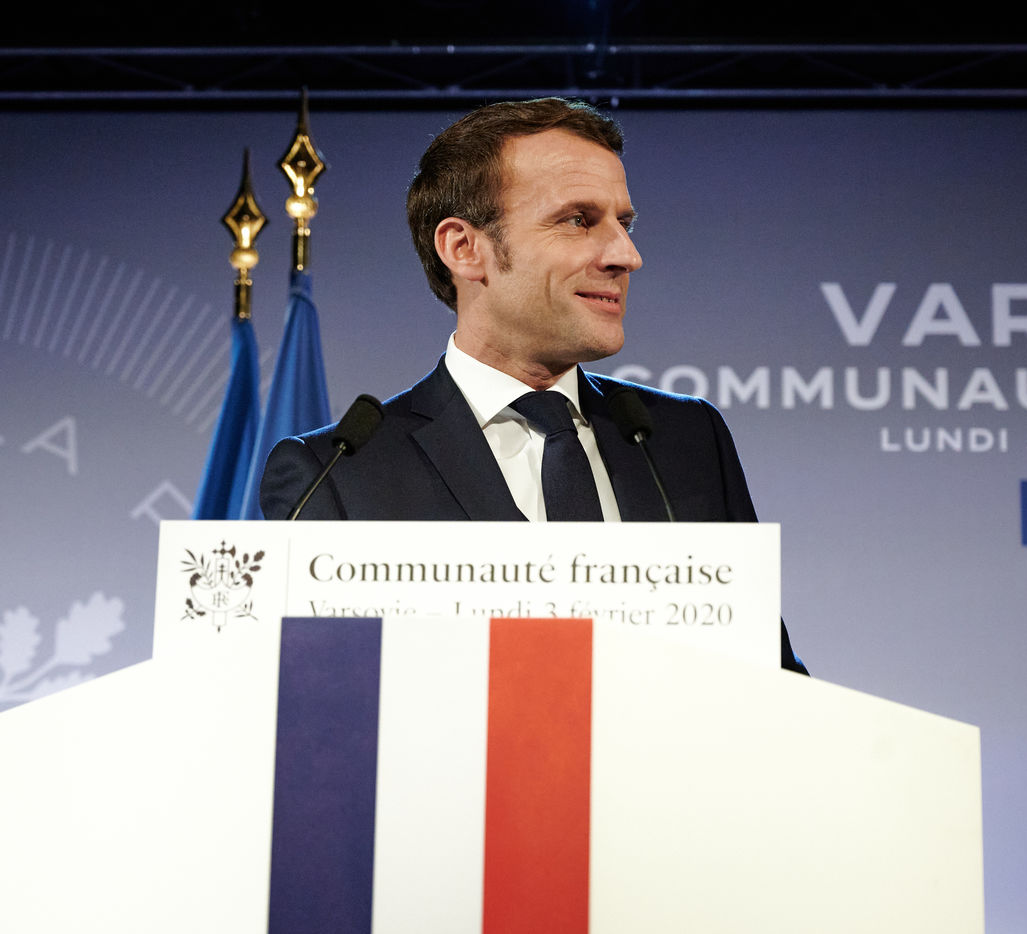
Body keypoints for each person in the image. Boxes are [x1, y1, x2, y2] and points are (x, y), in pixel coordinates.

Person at [259, 97, 807, 674]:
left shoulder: (685, 439)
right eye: (579, 220)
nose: (627, 255)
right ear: (464, 248)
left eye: (624, 224)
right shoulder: (339, 473)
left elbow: (771, 680)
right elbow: (319, 703)